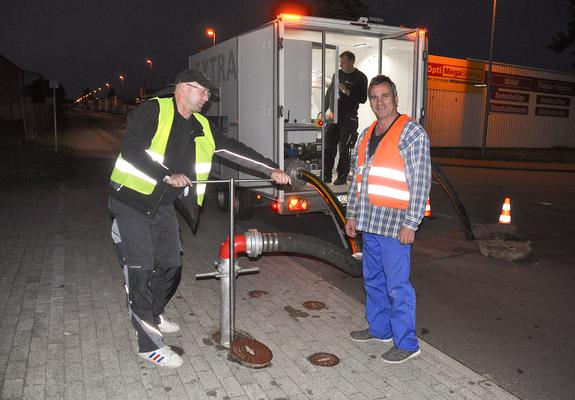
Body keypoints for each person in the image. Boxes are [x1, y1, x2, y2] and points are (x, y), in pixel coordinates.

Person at [108, 69, 291, 368]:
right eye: (203, 91)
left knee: (171, 264)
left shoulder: (203, 126)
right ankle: (148, 345)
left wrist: (271, 169)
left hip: (161, 206)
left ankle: (153, 313)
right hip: (130, 200)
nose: (208, 98)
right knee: (141, 270)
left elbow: (235, 150)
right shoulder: (152, 110)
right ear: (182, 88)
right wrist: (167, 175)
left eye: (209, 94)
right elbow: (131, 151)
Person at [344, 75, 431, 364]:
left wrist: (411, 223)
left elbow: (420, 182)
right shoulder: (366, 134)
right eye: (374, 97)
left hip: (395, 225)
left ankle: (406, 343)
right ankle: (380, 330)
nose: (379, 102)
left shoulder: (411, 133)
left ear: (395, 97)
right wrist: (352, 214)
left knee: (397, 286)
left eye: (385, 96)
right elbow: (357, 179)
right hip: (370, 222)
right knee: (373, 281)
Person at [324, 51, 368, 185]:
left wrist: (347, 91)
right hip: (334, 116)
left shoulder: (360, 77)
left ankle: (342, 176)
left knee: (344, 148)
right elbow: (329, 94)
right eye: (340, 62)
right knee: (328, 145)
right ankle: (326, 175)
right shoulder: (337, 74)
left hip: (349, 118)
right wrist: (324, 112)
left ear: (351, 62)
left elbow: (363, 99)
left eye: (343, 62)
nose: (340, 64)